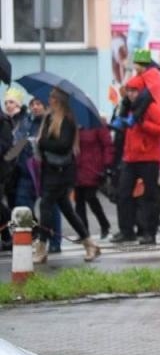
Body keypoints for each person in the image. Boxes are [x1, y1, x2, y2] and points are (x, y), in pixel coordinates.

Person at [33, 89, 101, 264]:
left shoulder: (68, 120)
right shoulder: (48, 118)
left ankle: (42, 247)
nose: (49, 100)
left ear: (59, 100)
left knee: (46, 205)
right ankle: (89, 243)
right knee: (67, 210)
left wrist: (42, 142)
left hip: (62, 172)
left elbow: (63, 146)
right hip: (49, 170)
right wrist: (40, 145)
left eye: (52, 97)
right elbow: (45, 146)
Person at [118, 48, 160, 243]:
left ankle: (150, 233)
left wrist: (143, 124)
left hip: (149, 156)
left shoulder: (150, 106)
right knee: (123, 194)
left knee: (150, 197)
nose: (130, 94)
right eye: (128, 91)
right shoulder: (131, 107)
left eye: (133, 91)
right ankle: (126, 231)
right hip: (131, 157)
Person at [74, 118, 114, 241]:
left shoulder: (97, 124)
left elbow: (107, 145)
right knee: (79, 200)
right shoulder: (73, 125)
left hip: (94, 167)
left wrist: (107, 164)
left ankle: (104, 224)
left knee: (90, 197)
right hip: (77, 168)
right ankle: (83, 232)